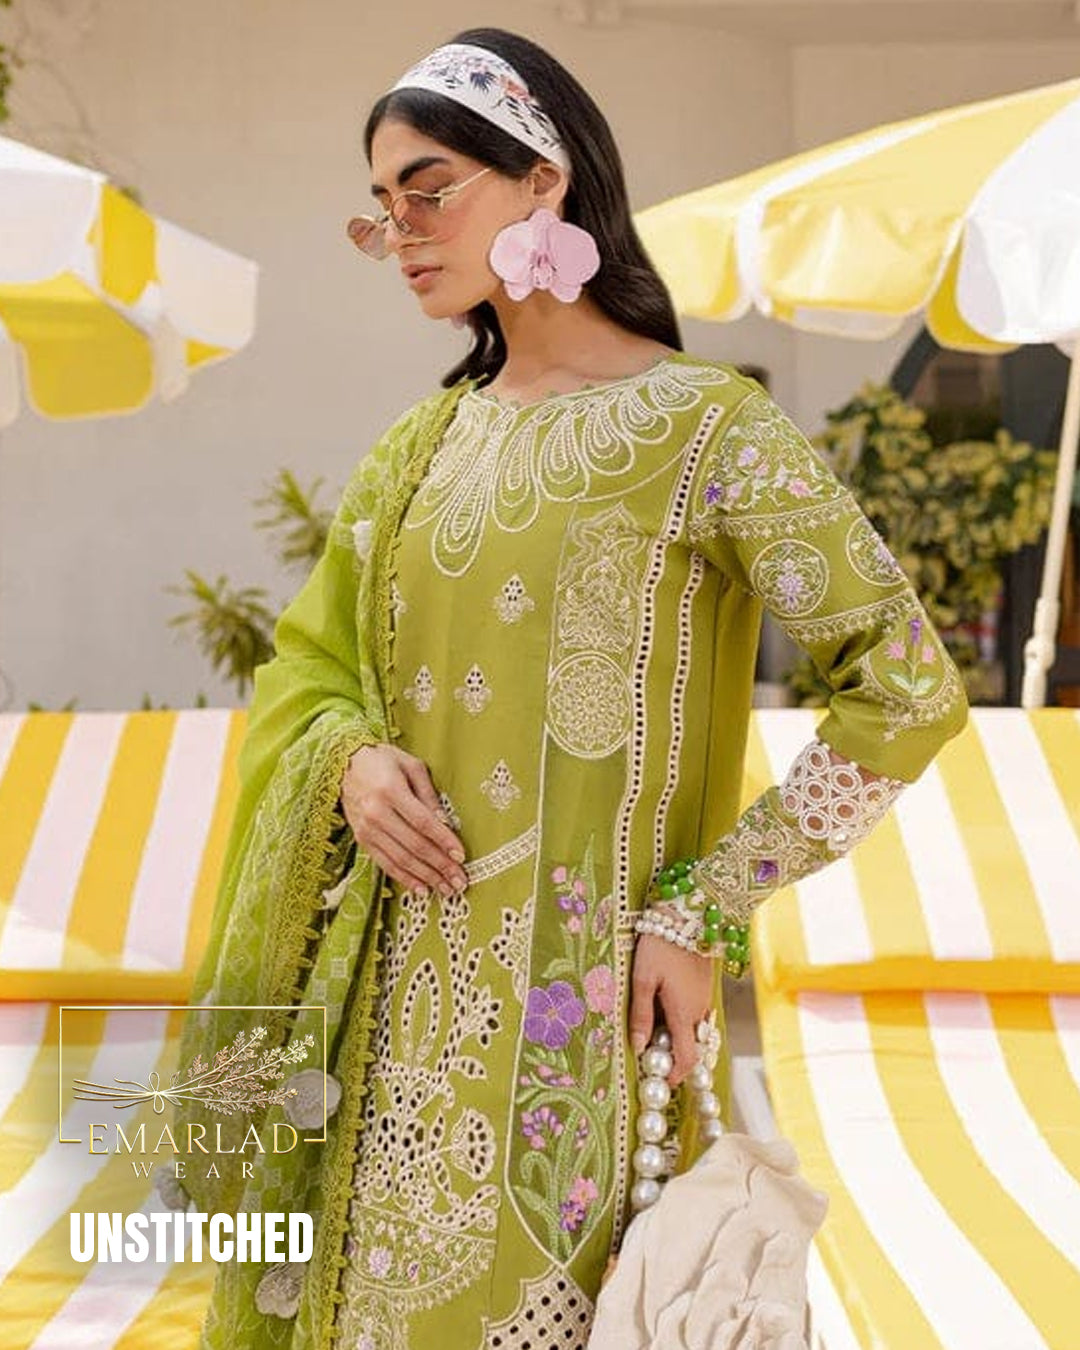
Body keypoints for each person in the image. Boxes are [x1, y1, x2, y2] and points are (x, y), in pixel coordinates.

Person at [177, 27, 967, 1350]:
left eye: (428, 192)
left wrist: (709, 904)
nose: (401, 233)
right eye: (380, 210)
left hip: (576, 1045)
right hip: (379, 1049)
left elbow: (907, 685)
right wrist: (350, 760)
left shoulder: (708, 429)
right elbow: (311, 668)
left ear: (543, 179)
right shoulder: (420, 447)